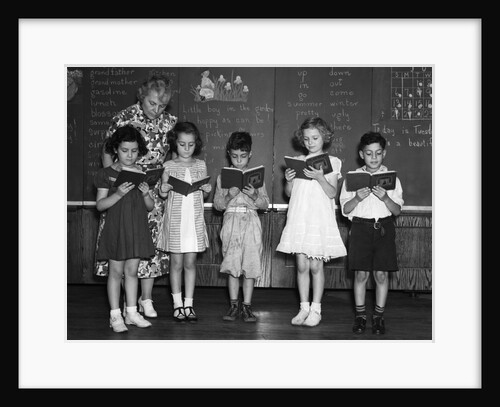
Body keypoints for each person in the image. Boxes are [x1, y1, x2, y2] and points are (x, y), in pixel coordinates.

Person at [94, 74, 177, 318]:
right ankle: (121, 307)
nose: (156, 109)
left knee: (147, 245)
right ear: (142, 97)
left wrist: (162, 180)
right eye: (152, 103)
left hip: (150, 190)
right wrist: (112, 182)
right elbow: (108, 152)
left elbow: (172, 158)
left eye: (162, 105)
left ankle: (146, 299)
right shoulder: (123, 117)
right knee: (122, 247)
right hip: (120, 192)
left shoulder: (170, 122)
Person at [276, 117, 347, 327]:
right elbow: (289, 194)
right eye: (306, 139)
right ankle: (303, 307)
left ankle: (316, 309)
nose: (310, 142)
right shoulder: (298, 160)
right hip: (300, 218)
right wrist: (288, 181)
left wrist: (320, 177)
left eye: (315, 138)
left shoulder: (332, 162)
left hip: (318, 219)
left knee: (316, 266)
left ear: (324, 137)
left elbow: (332, 192)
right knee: (301, 265)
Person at [339, 131, 404, 335]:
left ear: (383, 153)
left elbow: (397, 210)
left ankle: (378, 316)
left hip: (384, 228)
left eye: (377, 153)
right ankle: (360, 316)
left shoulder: (393, 179)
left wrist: (385, 198)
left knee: (382, 275)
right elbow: (345, 210)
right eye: (369, 153)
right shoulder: (353, 179)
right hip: (360, 228)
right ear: (361, 154)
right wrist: (357, 198)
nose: (373, 157)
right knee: (361, 275)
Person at [94, 126, 155, 333]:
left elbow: (150, 207)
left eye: (134, 151)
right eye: (124, 150)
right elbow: (100, 205)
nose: (130, 155)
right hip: (116, 229)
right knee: (115, 272)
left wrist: (146, 193)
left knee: (132, 272)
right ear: (115, 150)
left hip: (136, 228)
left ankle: (131, 312)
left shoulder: (141, 173)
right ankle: (115, 315)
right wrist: (118, 193)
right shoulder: (106, 174)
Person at [213, 132, 270, 322]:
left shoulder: (256, 178)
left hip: (251, 222)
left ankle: (247, 307)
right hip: (231, 222)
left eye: (243, 156)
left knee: (250, 266)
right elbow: (217, 205)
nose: (239, 160)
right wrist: (229, 195)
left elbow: (265, 204)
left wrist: (254, 195)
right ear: (229, 154)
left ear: (250, 154)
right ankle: (233, 306)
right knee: (232, 266)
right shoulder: (223, 177)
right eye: (235, 156)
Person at [158, 122, 211, 322]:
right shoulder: (168, 166)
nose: (186, 149)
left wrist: (206, 190)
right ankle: (177, 304)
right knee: (176, 263)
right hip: (176, 222)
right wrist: (164, 188)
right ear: (175, 144)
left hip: (194, 221)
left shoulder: (200, 165)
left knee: (190, 263)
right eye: (182, 144)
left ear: (195, 144)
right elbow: (163, 195)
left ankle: (189, 304)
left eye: (190, 144)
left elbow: (203, 196)